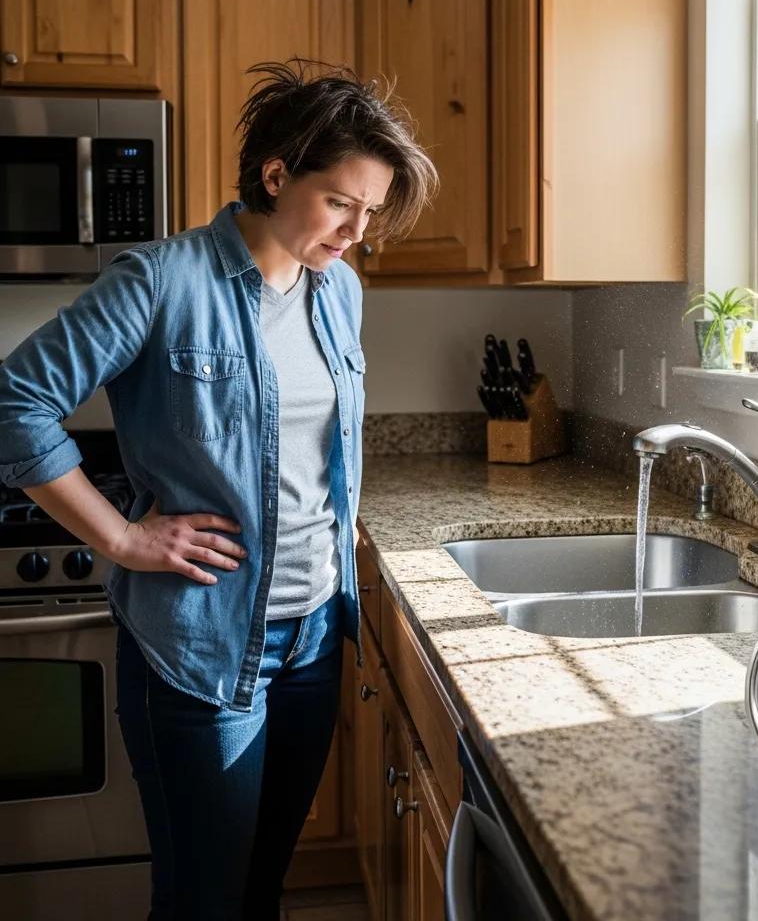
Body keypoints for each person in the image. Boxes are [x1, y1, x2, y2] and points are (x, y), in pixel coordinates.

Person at [0, 60, 438, 920]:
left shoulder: (338, 289)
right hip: (200, 649)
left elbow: (322, 442)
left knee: (265, 886)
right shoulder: (163, 280)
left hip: (313, 635)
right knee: (206, 899)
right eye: (341, 203)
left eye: (370, 213)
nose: (357, 232)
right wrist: (123, 539)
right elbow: (16, 403)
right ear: (277, 175)